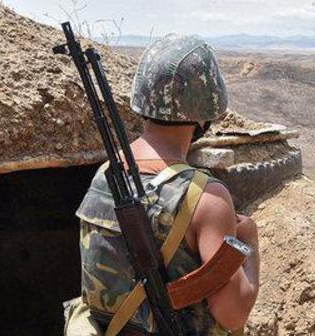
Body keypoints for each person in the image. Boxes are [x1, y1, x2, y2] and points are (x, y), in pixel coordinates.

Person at [67, 34, 260, 336]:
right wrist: (249, 243)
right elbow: (233, 314)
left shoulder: (106, 175)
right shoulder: (207, 198)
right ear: (206, 110)